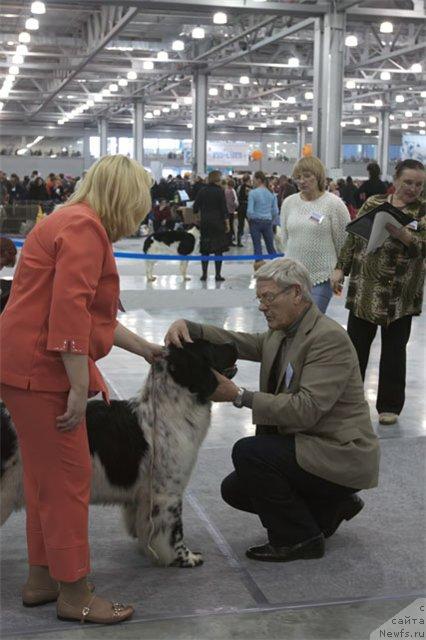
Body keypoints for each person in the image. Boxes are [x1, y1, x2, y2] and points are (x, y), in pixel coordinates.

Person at [0, 155, 163, 625]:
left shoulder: (64, 221)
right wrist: (77, 386)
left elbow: (92, 316)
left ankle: (42, 579)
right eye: (139, 205)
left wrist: (145, 349)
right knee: (70, 484)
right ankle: (75, 594)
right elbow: (70, 314)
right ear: (124, 197)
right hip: (43, 372)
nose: (139, 217)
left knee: (42, 479)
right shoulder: (87, 230)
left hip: (19, 367)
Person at [165, 258, 379, 562]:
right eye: (259, 298)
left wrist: (239, 395)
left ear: (296, 293)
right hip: (310, 444)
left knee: (250, 453)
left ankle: (300, 539)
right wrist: (193, 327)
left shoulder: (327, 338)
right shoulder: (285, 330)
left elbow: (306, 410)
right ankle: (330, 507)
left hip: (340, 452)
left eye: (268, 297)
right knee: (236, 489)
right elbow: (245, 343)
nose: (262, 307)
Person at [331, 159, 425, 426]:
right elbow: (354, 238)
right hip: (365, 290)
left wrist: (404, 235)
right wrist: (340, 268)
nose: (412, 188)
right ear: (395, 180)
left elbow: (422, 246)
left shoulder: (423, 211)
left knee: (395, 351)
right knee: (355, 348)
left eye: (419, 184)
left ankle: (390, 405)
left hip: (401, 296)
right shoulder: (374, 203)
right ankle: (349, 401)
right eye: (408, 182)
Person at [279, 157, 350, 314]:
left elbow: (345, 242)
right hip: (292, 275)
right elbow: (285, 238)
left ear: (318, 176)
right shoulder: (288, 203)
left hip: (322, 275)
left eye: (307, 176)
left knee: (311, 322)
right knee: (291, 321)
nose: (302, 181)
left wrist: (340, 270)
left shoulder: (334, 204)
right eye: (298, 177)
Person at [193, 170, 230, 282]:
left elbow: (195, 207)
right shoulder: (220, 191)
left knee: (205, 249)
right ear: (217, 179)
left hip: (205, 223)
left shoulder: (202, 190)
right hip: (218, 223)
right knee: (218, 250)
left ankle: (204, 274)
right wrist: (227, 224)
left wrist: (198, 217)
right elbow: (224, 209)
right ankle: (218, 275)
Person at [247, 171, 278, 270]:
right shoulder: (271, 194)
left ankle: (259, 269)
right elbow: (275, 211)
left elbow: (250, 211)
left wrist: (250, 219)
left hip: (255, 222)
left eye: (254, 180)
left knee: (257, 247)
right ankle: (276, 268)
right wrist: (271, 219)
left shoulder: (253, 193)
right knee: (271, 247)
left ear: (259, 180)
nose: (253, 182)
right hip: (267, 222)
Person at [236, 174, 252, 247]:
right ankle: (255, 239)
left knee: (240, 224)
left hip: (240, 207)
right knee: (252, 224)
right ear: (248, 180)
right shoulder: (249, 188)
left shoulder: (239, 187)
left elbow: (237, 196)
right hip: (247, 207)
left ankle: (239, 240)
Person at [224, 178, 239, 246]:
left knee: (227, 225)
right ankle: (229, 241)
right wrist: (236, 206)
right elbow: (233, 201)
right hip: (231, 210)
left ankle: (226, 240)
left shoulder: (225, 190)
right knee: (230, 225)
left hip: (225, 210)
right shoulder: (232, 191)